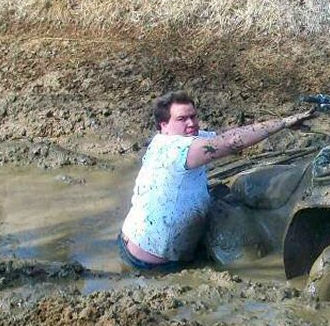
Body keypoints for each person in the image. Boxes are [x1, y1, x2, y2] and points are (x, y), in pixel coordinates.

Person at [118, 90, 315, 271]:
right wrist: (283, 123)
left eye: (193, 116)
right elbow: (229, 143)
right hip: (149, 263)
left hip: (156, 244)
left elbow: (226, 135)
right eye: (182, 119)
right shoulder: (173, 148)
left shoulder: (187, 137)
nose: (191, 123)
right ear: (164, 125)